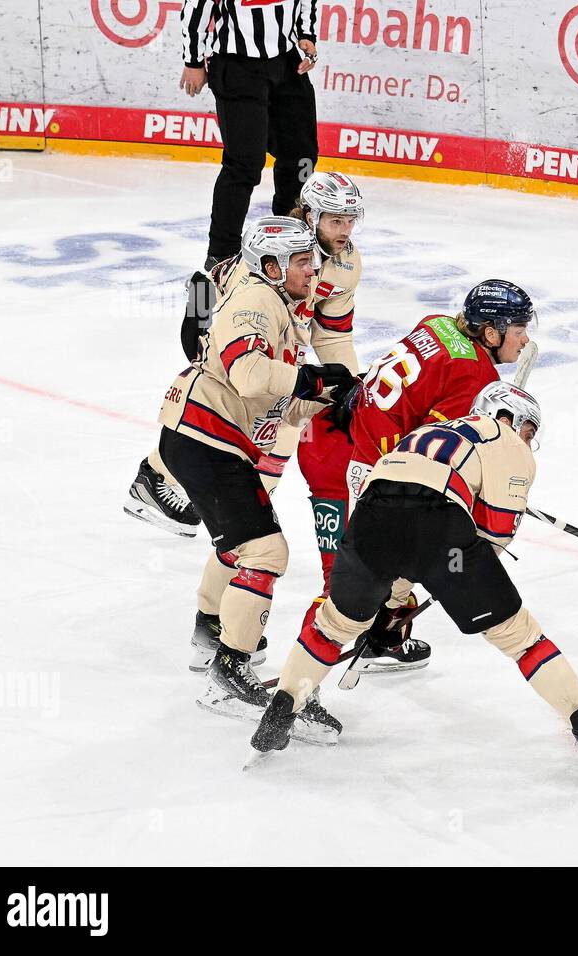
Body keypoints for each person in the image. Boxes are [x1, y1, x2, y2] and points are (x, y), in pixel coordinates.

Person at [248, 382, 578, 777]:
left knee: (333, 626)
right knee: (521, 637)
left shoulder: (424, 432)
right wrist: (450, 575)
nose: (529, 440)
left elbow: (389, 522)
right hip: (440, 532)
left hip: (370, 522)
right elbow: (492, 537)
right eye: (529, 429)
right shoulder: (512, 445)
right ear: (508, 416)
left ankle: (283, 709)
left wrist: (391, 606)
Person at [153, 216, 353, 733]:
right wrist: (311, 377)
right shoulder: (255, 301)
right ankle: (229, 665)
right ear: (271, 265)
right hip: (203, 437)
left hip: (209, 438)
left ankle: (218, 644)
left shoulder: (279, 306)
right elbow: (249, 378)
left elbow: (273, 400)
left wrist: (332, 401)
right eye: (303, 261)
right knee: (265, 551)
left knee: (252, 547)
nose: (314, 271)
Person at [293, 279, 536, 673]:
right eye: (519, 329)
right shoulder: (475, 378)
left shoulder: (439, 323)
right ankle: (301, 692)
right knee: (346, 588)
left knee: (395, 553)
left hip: (330, 437)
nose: (525, 340)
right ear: (491, 332)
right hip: (353, 465)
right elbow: (429, 448)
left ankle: (384, 636)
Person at [123, 171, 366, 543]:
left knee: (281, 421)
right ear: (310, 216)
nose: (345, 231)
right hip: (217, 326)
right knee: (235, 404)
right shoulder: (278, 247)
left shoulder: (346, 263)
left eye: (351, 221)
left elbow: (332, 333)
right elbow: (237, 315)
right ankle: (158, 477)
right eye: (336, 221)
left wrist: (350, 384)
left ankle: (250, 512)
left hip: (276, 339)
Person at [180, 0, 320, 272]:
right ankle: (221, 254)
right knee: (244, 164)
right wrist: (193, 60)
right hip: (236, 65)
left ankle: (291, 240)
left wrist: (306, 33)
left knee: (302, 155)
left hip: (287, 63)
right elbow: (196, 8)